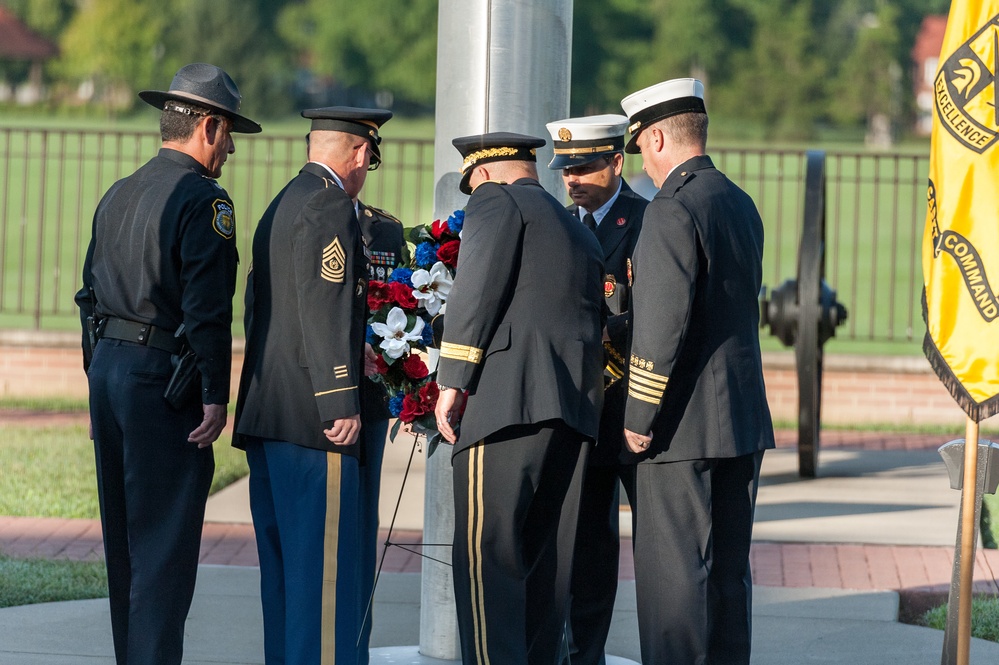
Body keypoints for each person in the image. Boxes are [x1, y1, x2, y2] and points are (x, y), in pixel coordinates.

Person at [74, 62, 260, 665]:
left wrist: (97, 367)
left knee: (125, 541)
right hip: (162, 383)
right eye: (228, 132)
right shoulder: (204, 200)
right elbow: (208, 310)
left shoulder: (120, 190)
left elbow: (87, 294)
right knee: (163, 547)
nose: (230, 147)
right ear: (207, 126)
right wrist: (214, 391)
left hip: (110, 371)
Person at [619, 78, 776, 665]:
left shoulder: (671, 208)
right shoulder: (737, 200)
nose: (644, 161)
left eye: (640, 146)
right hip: (739, 418)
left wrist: (638, 416)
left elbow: (663, 327)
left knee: (674, 586)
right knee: (728, 580)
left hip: (682, 427)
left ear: (656, 136)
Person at [433, 132, 605, 665]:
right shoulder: (575, 228)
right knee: (540, 570)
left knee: (489, 567)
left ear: (482, 174)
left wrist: (452, 380)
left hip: (505, 407)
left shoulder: (494, 201)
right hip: (571, 414)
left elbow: (477, 289)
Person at [232, 106, 391, 665]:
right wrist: (338, 397)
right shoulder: (329, 205)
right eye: (368, 158)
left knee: (286, 581)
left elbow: (260, 310)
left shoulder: (281, 203)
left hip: (270, 414)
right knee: (325, 583)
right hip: (313, 423)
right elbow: (325, 307)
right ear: (357, 153)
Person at [544, 114, 647, 665]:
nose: (573, 179)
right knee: (581, 546)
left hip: (631, 408)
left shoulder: (647, 221)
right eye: (566, 170)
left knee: (630, 548)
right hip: (577, 411)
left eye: (585, 166)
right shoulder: (559, 223)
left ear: (616, 162)